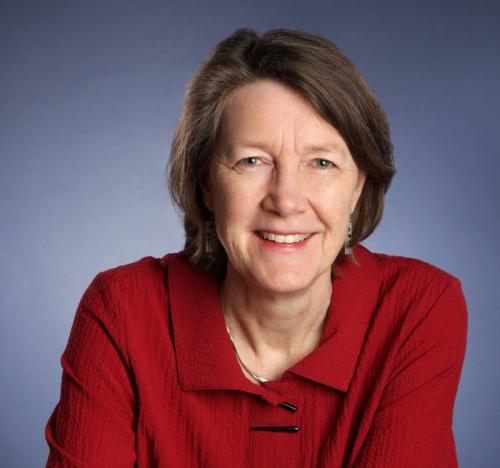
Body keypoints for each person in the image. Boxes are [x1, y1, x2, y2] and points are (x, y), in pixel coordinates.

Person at [45, 28, 468, 467]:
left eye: (322, 163)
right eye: (252, 161)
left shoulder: (417, 307)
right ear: (207, 185)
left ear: (358, 188)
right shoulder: (122, 311)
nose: (286, 200)